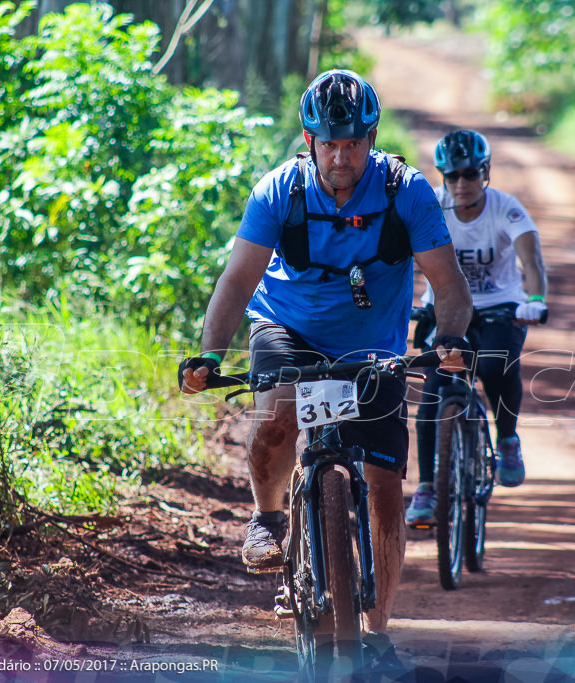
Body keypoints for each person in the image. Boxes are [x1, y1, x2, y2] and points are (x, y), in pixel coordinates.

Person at [178, 70, 472, 665]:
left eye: (354, 143)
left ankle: (379, 632)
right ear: (308, 140)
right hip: (288, 328)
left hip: (374, 348)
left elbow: (449, 283)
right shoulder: (278, 193)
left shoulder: (405, 191)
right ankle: (268, 520)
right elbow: (237, 280)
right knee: (277, 412)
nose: (342, 157)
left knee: (386, 490)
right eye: (329, 143)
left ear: (372, 138)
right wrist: (211, 352)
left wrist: (450, 340)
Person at [405, 129, 548, 526]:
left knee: (492, 367)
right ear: (443, 178)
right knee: (434, 390)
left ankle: (507, 440)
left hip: (501, 307)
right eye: (452, 177)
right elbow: (397, 257)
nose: (461, 184)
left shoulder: (507, 209)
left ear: (485, 173)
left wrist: (534, 302)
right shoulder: (432, 207)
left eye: (470, 174)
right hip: (446, 311)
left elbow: (532, 263)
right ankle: (428, 485)